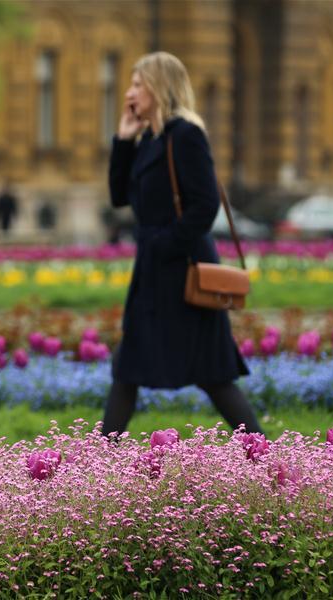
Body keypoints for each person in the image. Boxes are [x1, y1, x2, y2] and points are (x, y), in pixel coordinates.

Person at [101, 51, 264, 438]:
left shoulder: (186, 135)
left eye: (139, 84)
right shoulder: (149, 138)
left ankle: (263, 456)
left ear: (160, 88)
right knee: (127, 368)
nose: (130, 92)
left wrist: (163, 243)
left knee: (214, 375)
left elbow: (205, 205)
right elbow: (120, 197)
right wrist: (123, 141)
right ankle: (95, 463)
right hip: (153, 275)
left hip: (185, 274)